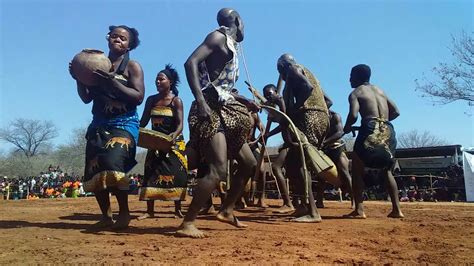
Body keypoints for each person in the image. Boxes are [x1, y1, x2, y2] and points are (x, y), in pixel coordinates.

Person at [177, 8, 259, 238]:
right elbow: (190, 63)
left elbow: (224, 88)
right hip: (209, 108)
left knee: (249, 163)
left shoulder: (232, 45)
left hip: (226, 108)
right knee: (218, 169)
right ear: (238, 21)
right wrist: (200, 101)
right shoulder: (217, 37)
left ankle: (227, 210)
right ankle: (188, 222)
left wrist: (245, 101)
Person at [70, 25, 145, 229]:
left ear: (130, 45)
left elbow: (138, 97)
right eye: (114, 36)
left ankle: (125, 213)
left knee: (113, 163)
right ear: (108, 39)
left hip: (124, 124)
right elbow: (86, 98)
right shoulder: (95, 66)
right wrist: (78, 78)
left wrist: (114, 84)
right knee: (94, 169)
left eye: (122, 38)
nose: (117, 40)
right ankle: (106, 216)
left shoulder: (133, 67)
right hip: (99, 124)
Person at [342, 64, 404, 219]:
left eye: (351, 76)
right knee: (387, 170)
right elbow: (396, 111)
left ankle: (359, 210)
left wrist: (347, 127)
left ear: (356, 77)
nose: (349, 79)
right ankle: (397, 210)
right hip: (388, 130)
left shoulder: (356, 93)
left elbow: (354, 115)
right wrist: (382, 122)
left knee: (357, 169)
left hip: (369, 129)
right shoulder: (380, 91)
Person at [277, 54, 331, 222]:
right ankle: (302, 207)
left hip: (309, 118)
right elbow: (328, 101)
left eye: (280, 72)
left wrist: (295, 110)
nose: (282, 77)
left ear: (283, 67)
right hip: (320, 118)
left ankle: (313, 211)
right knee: (293, 162)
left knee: (299, 162)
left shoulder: (293, 69)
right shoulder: (310, 73)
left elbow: (307, 88)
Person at [137, 64, 188, 220]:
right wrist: (134, 131)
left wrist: (174, 135)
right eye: (156, 79)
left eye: (161, 79)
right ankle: (149, 211)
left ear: (170, 82)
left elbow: (180, 124)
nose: (157, 82)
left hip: (173, 142)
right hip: (155, 142)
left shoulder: (176, 101)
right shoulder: (151, 100)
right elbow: (144, 121)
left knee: (177, 173)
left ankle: (177, 210)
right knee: (151, 172)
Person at [261, 84, 294, 213]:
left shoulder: (282, 102)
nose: (268, 97)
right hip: (288, 143)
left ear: (276, 91)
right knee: (293, 173)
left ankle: (288, 203)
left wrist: (274, 115)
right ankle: (295, 202)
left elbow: (285, 122)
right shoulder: (279, 104)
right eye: (265, 95)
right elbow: (282, 123)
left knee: (276, 167)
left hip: (293, 142)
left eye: (269, 94)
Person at [317, 101, 353, 208]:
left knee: (344, 173)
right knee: (321, 175)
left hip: (337, 147)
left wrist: (324, 142)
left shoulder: (334, 116)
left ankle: (354, 201)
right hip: (324, 150)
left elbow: (339, 132)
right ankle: (319, 201)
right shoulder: (317, 119)